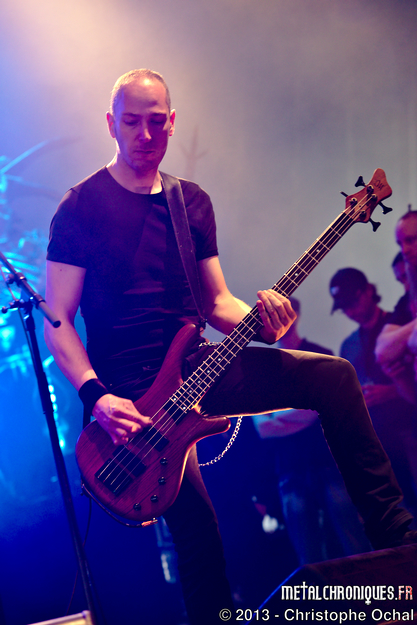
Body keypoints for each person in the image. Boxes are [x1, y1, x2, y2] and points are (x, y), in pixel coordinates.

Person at [44, 69, 415, 625]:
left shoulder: (189, 202)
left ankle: (399, 543)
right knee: (199, 535)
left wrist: (265, 321)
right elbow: (57, 320)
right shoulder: (80, 208)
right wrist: (96, 396)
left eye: (156, 122)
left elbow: (217, 302)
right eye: (132, 122)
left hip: (198, 364)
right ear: (110, 124)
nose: (145, 135)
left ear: (172, 122)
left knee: (335, 376)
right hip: (131, 399)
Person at [252, 298, 370, 565]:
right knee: (308, 555)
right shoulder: (264, 370)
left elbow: (324, 407)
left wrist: (282, 417)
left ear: (294, 314)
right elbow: (264, 428)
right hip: (290, 468)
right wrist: (309, 408)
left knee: (354, 543)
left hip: (328, 462)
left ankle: (369, 591)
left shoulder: (320, 356)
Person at [330, 268, 417, 522]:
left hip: (410, 432)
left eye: (352, 302)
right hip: (379, 445)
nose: (350, 311)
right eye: (344, 307)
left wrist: (390, 392)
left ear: (368, 291)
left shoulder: (397, 328)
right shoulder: (348, 346)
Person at [375, 211, 417, 404]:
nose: (404, 250)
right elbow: (383, 350)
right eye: (400, 244)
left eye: (410, 240)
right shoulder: (407, 299)